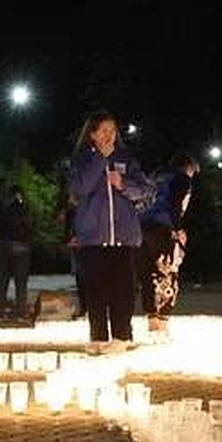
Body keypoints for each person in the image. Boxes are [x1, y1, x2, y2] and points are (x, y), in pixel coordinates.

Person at [68, 112, 150, 347]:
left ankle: (122, 337)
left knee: (123, 292)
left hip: (123, 238)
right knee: (96, 292)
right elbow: (79, 188)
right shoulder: (82, 159)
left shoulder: (126, 158)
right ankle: (99, 338)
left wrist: (123, 184)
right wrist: (100, 161)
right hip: (93, 239)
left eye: (112, 131)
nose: (109, 135)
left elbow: (144, 190)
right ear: (92, 134)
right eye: (103, 130)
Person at [137, 152, 200, 332]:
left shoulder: (155, 178)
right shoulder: (181, 179)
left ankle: (152, 317)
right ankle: (163, 318)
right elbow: (175, 204)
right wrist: (178, 229)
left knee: (149, 274)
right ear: (188, 167)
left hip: (142, 226)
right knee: (168, 272)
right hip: (163, 228)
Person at [0, 184, 34, 318]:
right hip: (20, 247)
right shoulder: (23, 208)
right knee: (21, 282)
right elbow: (29, 226)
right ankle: (21, 311)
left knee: (2, 280)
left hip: (2, 245)